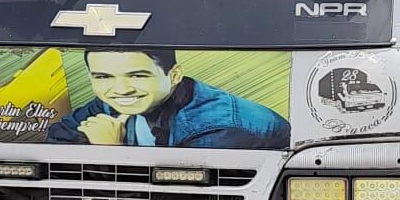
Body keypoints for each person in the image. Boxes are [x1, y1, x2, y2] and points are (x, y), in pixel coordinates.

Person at [47, 48, 290, 149]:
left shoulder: (217, 129)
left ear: (174, 75)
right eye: (103, 77)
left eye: (138, 75)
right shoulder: (115, 99)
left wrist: (110, 151)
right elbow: (57, 140)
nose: (121, 89)